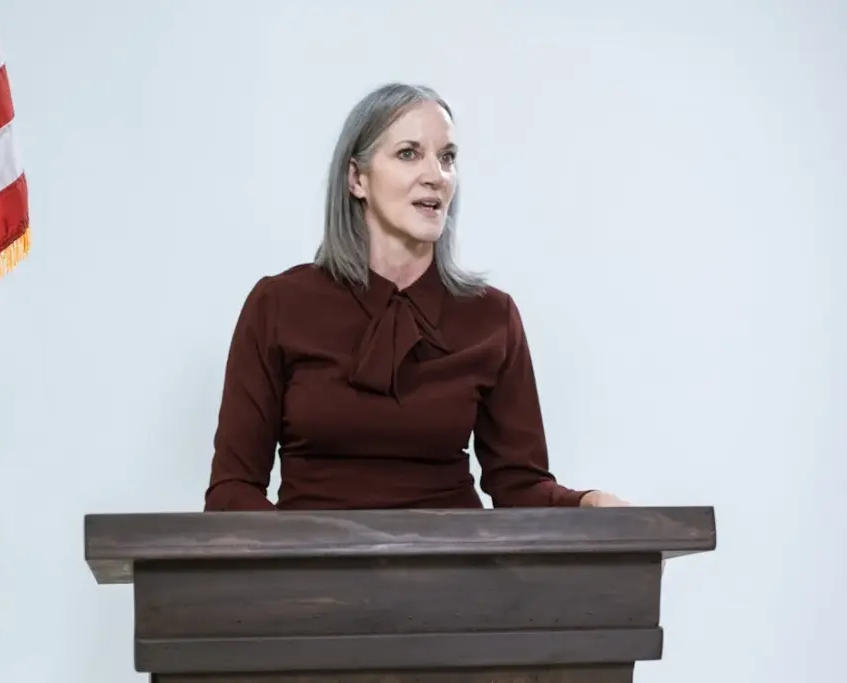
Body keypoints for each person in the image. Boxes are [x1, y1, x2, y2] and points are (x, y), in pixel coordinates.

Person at [204, 82, 628, 512]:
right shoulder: (278, 305)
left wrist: (587, 504)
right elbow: (232, 490)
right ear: (356, 179)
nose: (436, 175)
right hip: (313, 570)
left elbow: (519, 486)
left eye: (447, 158)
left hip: (456, 569)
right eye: (409, 153)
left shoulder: (492, 316)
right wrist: (298, 563)